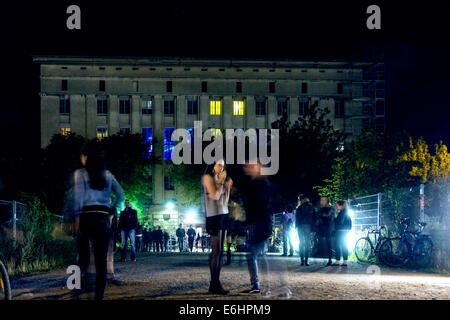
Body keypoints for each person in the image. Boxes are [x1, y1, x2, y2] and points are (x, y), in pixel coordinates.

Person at [73, 141, 124, 300]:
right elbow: (121, 195)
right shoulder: (108, 175)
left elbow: (78, 199)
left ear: (86, 157)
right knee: (101, 261)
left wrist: (76, 221)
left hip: (86, 217)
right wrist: (111, 211)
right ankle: (98, 296)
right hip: (103, 217)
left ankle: (81, 285)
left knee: (84, 256)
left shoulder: (80, 174)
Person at [239, 160, 273, 294]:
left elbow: (258, 206)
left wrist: (246, 221)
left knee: (253, 254)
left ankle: (257, 285)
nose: (247, 167)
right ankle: (257, 285)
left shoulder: (261, 183)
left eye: (251, 165)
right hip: (261, 224)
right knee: (255, 254)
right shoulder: (257, 183)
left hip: (262, 225)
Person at [202, 159, 232, 294]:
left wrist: (228, 188)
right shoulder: (207, 177)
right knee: (216, 251)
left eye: (223, 166)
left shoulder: (220, 179)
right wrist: (221, 182)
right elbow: (214, 195)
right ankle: (214, 283)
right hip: (214, 216)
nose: (221, 168)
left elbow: (224, 200)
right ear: (213, 165)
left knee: (220, 251)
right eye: (219, 165)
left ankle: (215, 283)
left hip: (223, 214)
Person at [295, 194, 315, 266]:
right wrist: (313, 228)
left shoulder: (299, 208)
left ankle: (302, 260)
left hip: (300, 226)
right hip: (308, 226)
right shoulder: (311, 207)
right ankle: (306, 261)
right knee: (307, 243)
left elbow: (297, 219)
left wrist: (296, 226)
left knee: (301, 243)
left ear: (301, 200)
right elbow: (313, 218)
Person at [331, 200, 352, 266]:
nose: (336, 207)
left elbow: (339, 222)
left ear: (341, 206)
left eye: (337, 206)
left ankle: (337, 261)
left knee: (337, 245)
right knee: (344, 245)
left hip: (341, 231)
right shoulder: (345, 212)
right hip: (345, 231)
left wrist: (334, 219)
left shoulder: (342, 213)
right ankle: (345, 261)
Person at [316, 196, 335, 266]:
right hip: (322, 228)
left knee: (328, 243)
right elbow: (318, 216)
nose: (322, 201)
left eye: (323, 200)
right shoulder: (320, 209)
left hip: (328, 228)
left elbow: (328, 216)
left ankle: (330, 259)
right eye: (321, 200)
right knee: (322, 242)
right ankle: (321, 254)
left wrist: (321, 215)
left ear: (327, 201)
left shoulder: (331, 208)